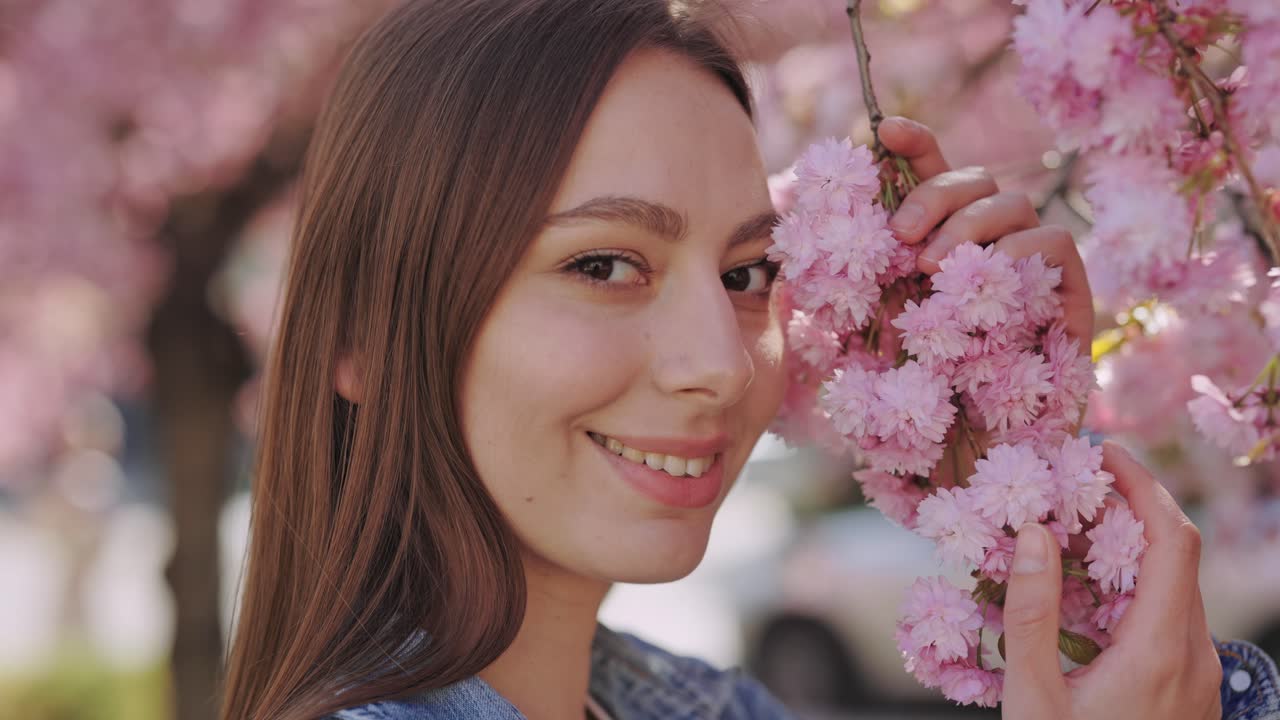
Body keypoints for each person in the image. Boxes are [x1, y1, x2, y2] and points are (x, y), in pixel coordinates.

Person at [218, 1, 1280, 718]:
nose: (720, 366)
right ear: (360, 332)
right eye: (602, 263)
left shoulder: (696, 704)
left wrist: (1021, 456)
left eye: (744, 273)